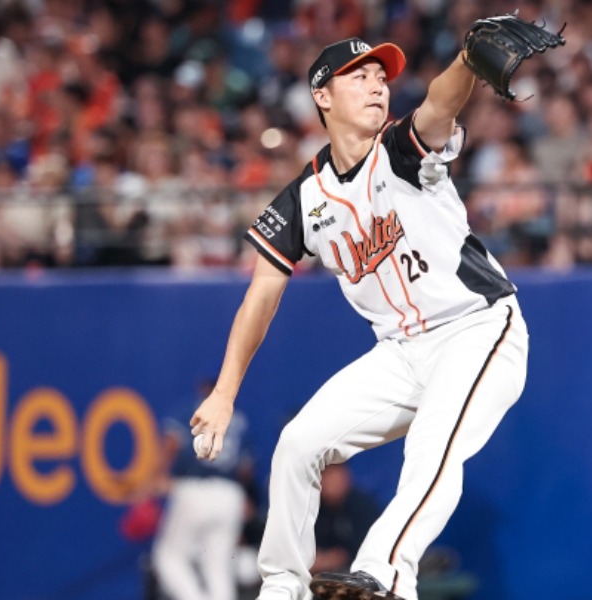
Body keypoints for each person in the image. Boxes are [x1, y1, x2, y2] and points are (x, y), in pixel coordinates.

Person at [189, 35, 530, 600]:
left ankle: (385, 576)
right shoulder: (304, 197)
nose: (377, 83)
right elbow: (261, 295)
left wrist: (467, 61)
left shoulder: (400, 149)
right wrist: (225, 393)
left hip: (476, 328)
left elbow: (441, 104)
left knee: (433, 447)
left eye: (382, 75)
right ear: (322, 96)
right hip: (400, 352)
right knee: (299, 444)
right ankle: (282, 587)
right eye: (359, 75)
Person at [152, 380, 254, 600]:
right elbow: (246, 469)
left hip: (196, 488)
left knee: (168, 558)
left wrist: (158, 477)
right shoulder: (239, 418)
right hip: (230, 494)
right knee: (219, 568)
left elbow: (171, 443)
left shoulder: (195, 408)